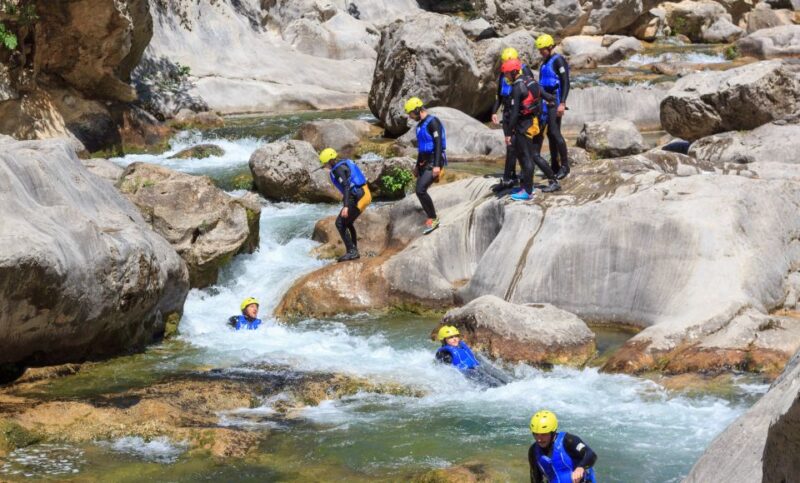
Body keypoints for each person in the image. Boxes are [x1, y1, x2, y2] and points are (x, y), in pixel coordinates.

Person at [501, 58, 560, 201]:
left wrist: (508, 133)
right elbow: (547, 96)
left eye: (507, 73)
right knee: (532, 155)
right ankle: (549, 181)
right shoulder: (530, 81)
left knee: (526, 158)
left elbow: (514, 113)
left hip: (524, 126)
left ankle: (527, 191)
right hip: (535, 123)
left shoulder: (517, 87)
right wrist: (553, 103)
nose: (505, 76)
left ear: (513, 72)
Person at [491, 47, 535, 192]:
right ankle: (510, 177)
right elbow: (499, 95)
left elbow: (533, 91)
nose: (505, 66)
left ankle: (518, 179)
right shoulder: (504, 74)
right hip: (508, 113)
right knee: (510, 147)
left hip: (520, 114)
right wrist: (494, 112)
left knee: (519, 148)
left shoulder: (524, 72)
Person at [319, 147, 372, 262]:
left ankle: (352, 251)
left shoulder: (337, 170)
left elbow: (347, 186)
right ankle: (354, 250)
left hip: (358, 196)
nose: (324, 165)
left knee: (340, 223)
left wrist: (346, 206)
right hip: (364, 193)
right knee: (347, 222)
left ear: (330, 161)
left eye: (325, 163)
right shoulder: (342, 164)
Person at [405, 97, 446, 234]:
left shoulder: (433, 122)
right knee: (420, 190)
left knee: (420, 190)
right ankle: (431, 216)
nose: (410, 116)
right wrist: (417, 166)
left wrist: (437, 166)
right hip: (424, 161)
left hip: (434, 160)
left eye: (411, 113)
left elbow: (438, 144)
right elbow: (421, 148)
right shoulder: (419, 125)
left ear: (418, 110)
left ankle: (433, 218)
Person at [536, 34, 571, 180]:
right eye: (540, 50)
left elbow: (566, 81)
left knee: (555, 133)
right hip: (545, 101)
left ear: (550, 47)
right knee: (550, 134)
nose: (541, 52)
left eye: (543, 49)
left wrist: (562, 103)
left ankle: (565, 166)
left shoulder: (558, 60)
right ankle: (555, 165)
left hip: (555, 100)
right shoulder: (544, 63)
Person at [528, 410, 597, 483]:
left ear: (553, 432)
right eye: (536, 434)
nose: (539, 439)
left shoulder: (568, 440)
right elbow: (535, 478)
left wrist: (580, 467)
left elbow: (591, 454)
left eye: (544, 434)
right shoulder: (533, 451)